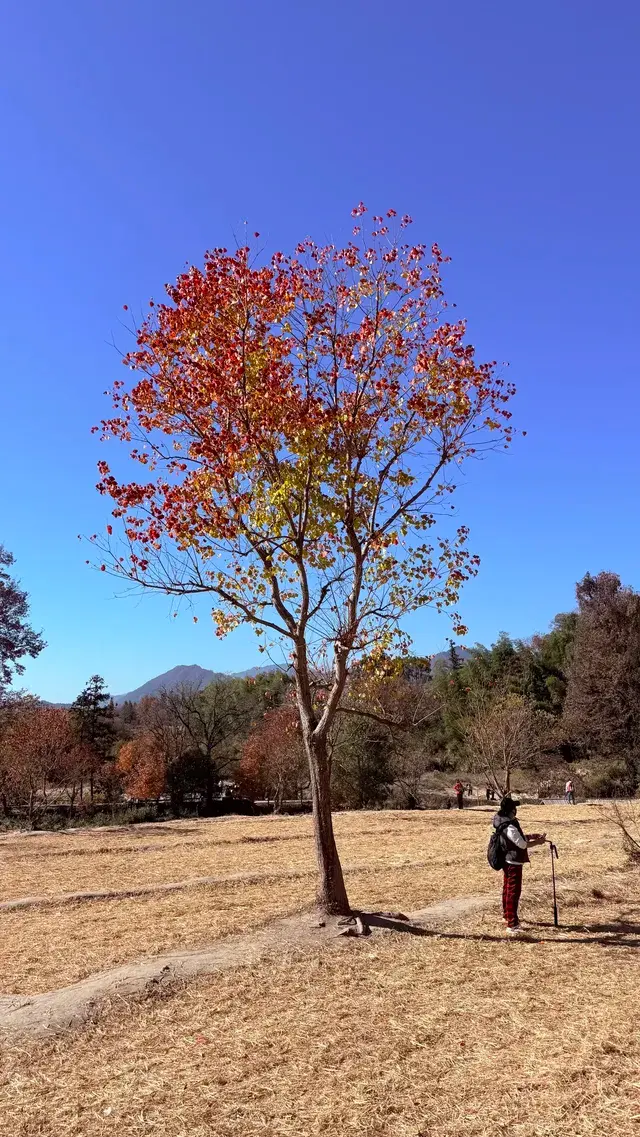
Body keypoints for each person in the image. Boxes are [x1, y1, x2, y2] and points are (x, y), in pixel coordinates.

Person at [492, 796, 546, 934]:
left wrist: (533, 836)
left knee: (508, 889)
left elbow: (518, 838)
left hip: (507, 860)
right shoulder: (509, 826)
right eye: (514, 808)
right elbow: (522, 844)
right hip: (513, 862)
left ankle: (507, 916)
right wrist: (538, 843)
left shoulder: (503, 822)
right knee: (513, 892)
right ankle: (512, 924)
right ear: (511, 810)